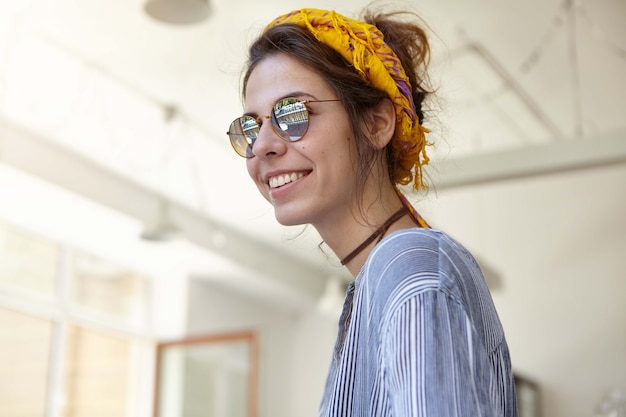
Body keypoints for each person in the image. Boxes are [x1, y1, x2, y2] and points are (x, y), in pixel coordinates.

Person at [227, 7, 518, 417]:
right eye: (251, 127)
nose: (262, 147)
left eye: (293, 115)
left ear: (377, 124)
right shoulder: (381, 281)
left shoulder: (411, 273)